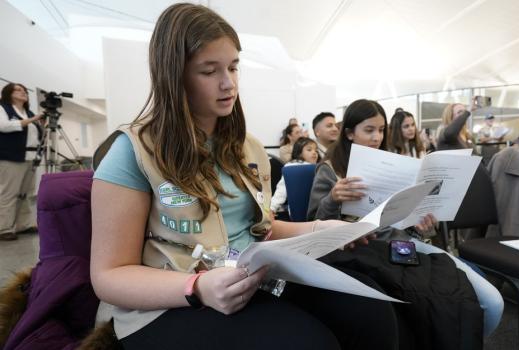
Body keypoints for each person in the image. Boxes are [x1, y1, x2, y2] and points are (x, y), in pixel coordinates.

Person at [91, 4, 398, 349]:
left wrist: (319, 229)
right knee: (307, 343)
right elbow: (109, 276)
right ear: (173, 75)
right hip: (168, 300)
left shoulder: (247, 149)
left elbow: (258, 232)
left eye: (234, 67)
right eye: (209, 71)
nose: (229, 83)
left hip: (246, 279)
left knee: (371, 312)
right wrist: (198, 288)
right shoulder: (131, 152)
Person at [307, 99, 503, 339]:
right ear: (349, 133)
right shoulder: (329, 170)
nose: (377, 137)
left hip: (403, 247)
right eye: (369, 130)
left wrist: (422, 223)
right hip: (365, 254)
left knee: (491, 302)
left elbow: (406, 223)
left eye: (381, 130)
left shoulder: (394, 165)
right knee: (445, 306)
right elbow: (312, 226)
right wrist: (332, 199)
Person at [0, 83, 43, 241]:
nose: (23, 92)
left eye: (25, 90)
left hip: (30, 157)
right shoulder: (3, 108)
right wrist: (33, 119)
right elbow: (3, 126)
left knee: (26, 194)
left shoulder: (28, 112)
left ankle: (23, 225)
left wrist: (40, 123)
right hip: (11, 156)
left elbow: (35, 136)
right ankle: (4, 228)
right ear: (9, 93)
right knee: (9, 193)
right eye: (18, 90)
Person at [271, 137, 320, 215]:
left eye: (316, 150)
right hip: (299, 211)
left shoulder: (320, 167)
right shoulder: (291, 168)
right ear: (299, 152)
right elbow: (281, 191)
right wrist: (272, 208)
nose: (314, 153)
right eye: (309, 150)